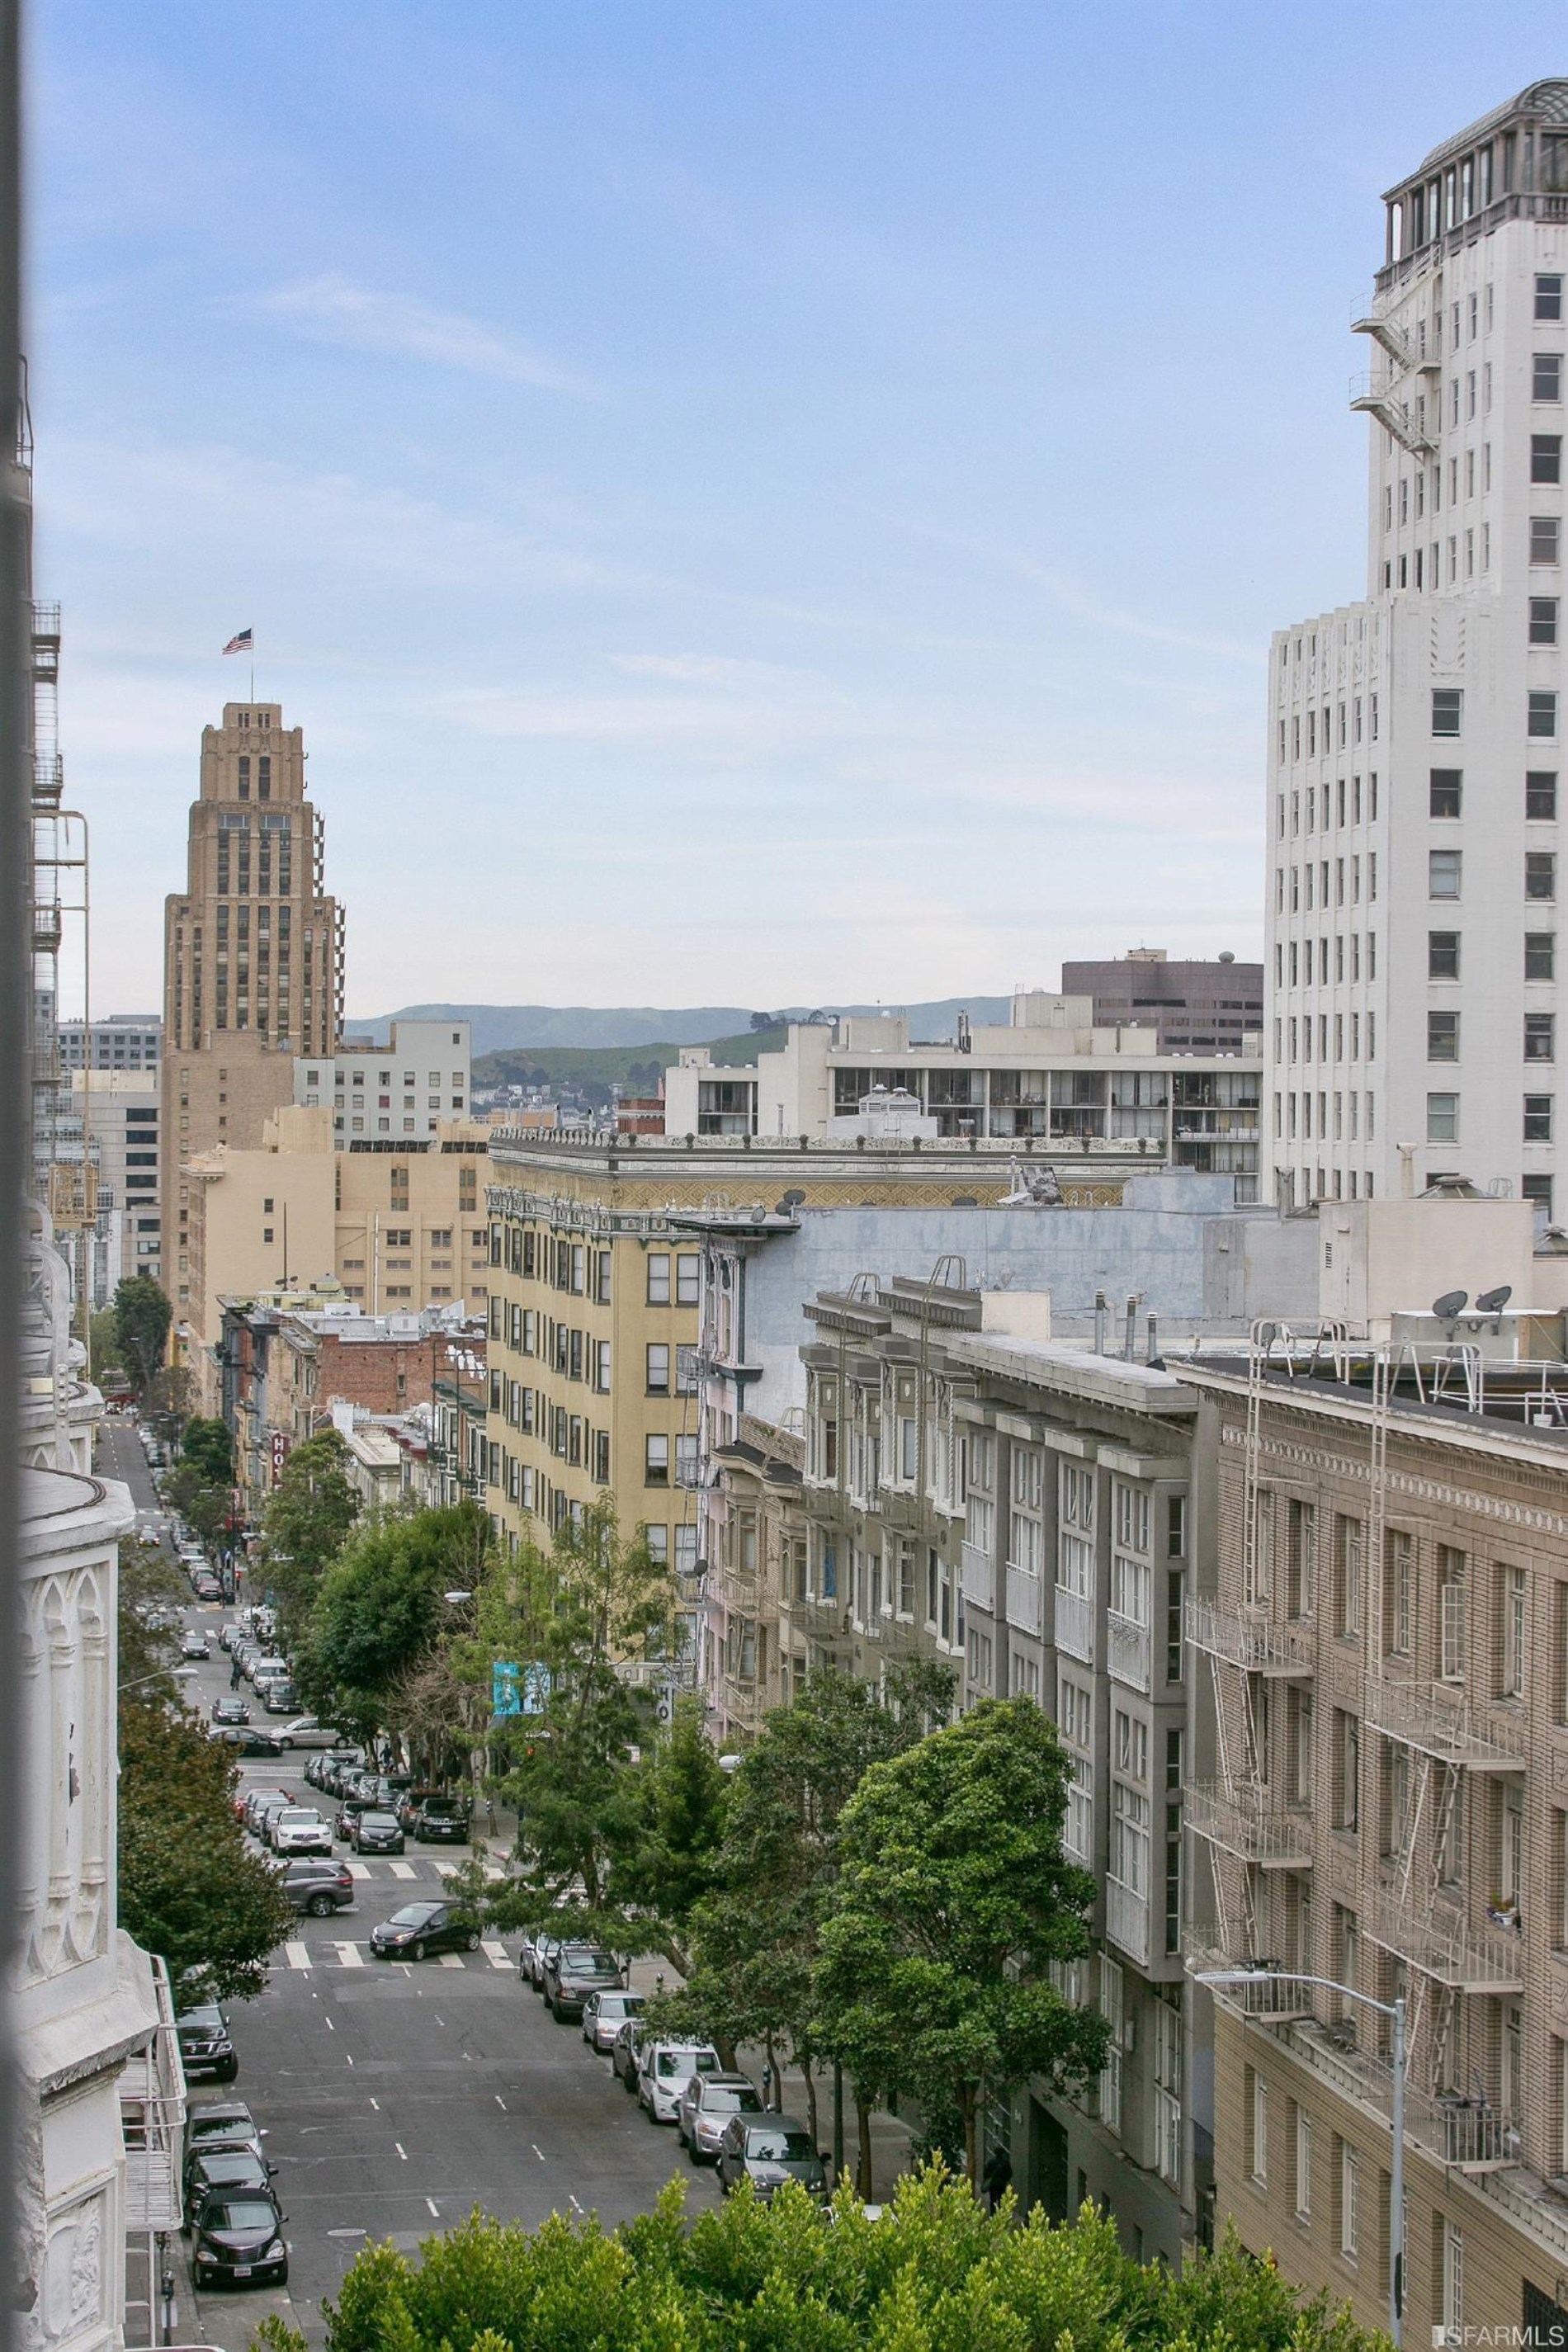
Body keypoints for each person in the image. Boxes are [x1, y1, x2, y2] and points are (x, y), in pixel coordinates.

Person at [981, 2143, 1013, 2213]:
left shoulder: (991, 2162)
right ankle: (1000, 2213)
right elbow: (1010, 2173)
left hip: (993, 2184)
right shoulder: (1005, 2162)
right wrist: (1004, 2179)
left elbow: (985, 2173)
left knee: (993, 2200)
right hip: (1002, 2184)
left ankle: (992, 2214)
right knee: (1001, 2200)